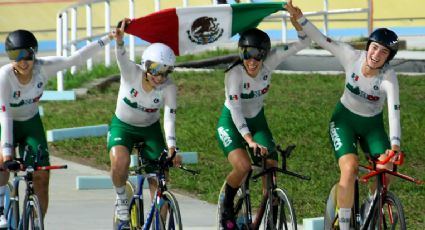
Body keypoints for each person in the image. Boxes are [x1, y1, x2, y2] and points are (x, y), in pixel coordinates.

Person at [286, 1, 402, 229]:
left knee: (385, 172)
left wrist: (395, 146)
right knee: (349, 168)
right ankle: (346, 223)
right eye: (375, 47)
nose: (377, 54)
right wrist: (300, 18)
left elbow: (394, 112)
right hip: (344, 121)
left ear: (389, 58)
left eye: (384, 52)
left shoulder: (389, 77)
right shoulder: (351, 56)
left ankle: (371, 207)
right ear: (368, 46)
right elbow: (321, 40)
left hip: (373, 126)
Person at [0, 29, 113, 227]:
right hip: (5, 122)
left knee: (42, 177)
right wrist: (8, 154)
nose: (22, 61)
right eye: (14, 55)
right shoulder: (4, 77)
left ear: (34, 53)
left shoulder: (43, 68)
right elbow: (5, 116)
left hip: (31, 123)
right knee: (1, 162)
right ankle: (0, 207)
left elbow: (76, 59)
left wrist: (108, 38)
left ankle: (37, 222)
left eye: (26, 54)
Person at [215, 13, 310, 229]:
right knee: (244, 166)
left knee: (272, 166)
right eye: (246, 54)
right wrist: (249, 140)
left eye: (257, 55)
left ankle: (268, 216)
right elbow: (237, 111)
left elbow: (305, 41)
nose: (251, 60)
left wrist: (298, 22)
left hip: (258, 122)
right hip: (231, 122)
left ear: (265, 55)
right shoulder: (234, 75)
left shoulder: (271, 61)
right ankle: (226, 205)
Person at [108, 19, 182, 224]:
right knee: (120, 161)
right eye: (156, 69)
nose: (161, 76)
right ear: (146, 65)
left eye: (166, 70)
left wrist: (172, 146)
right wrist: (120, 41)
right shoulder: (131, 72)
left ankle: (158, 222)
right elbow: (121, 57)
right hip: (123, 126)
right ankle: (122, 197)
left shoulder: (169, 88)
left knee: (161, 180)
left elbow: (169, 117)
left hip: (150, 129)